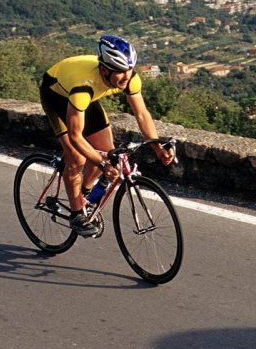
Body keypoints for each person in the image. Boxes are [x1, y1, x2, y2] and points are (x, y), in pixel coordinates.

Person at [40, 34, 175, 236]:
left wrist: (157, 146)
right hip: (57, 95)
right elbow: (76, 137)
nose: (125, 77)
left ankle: (82, 195)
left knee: (107, 152)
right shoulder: (83, 87)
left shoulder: (129, 79)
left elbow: (141, 114)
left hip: (87, 100)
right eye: (119, 72)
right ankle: (77, 214)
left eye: (128, 71)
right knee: (77, 158)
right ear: (104, 70)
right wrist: (102, 164)